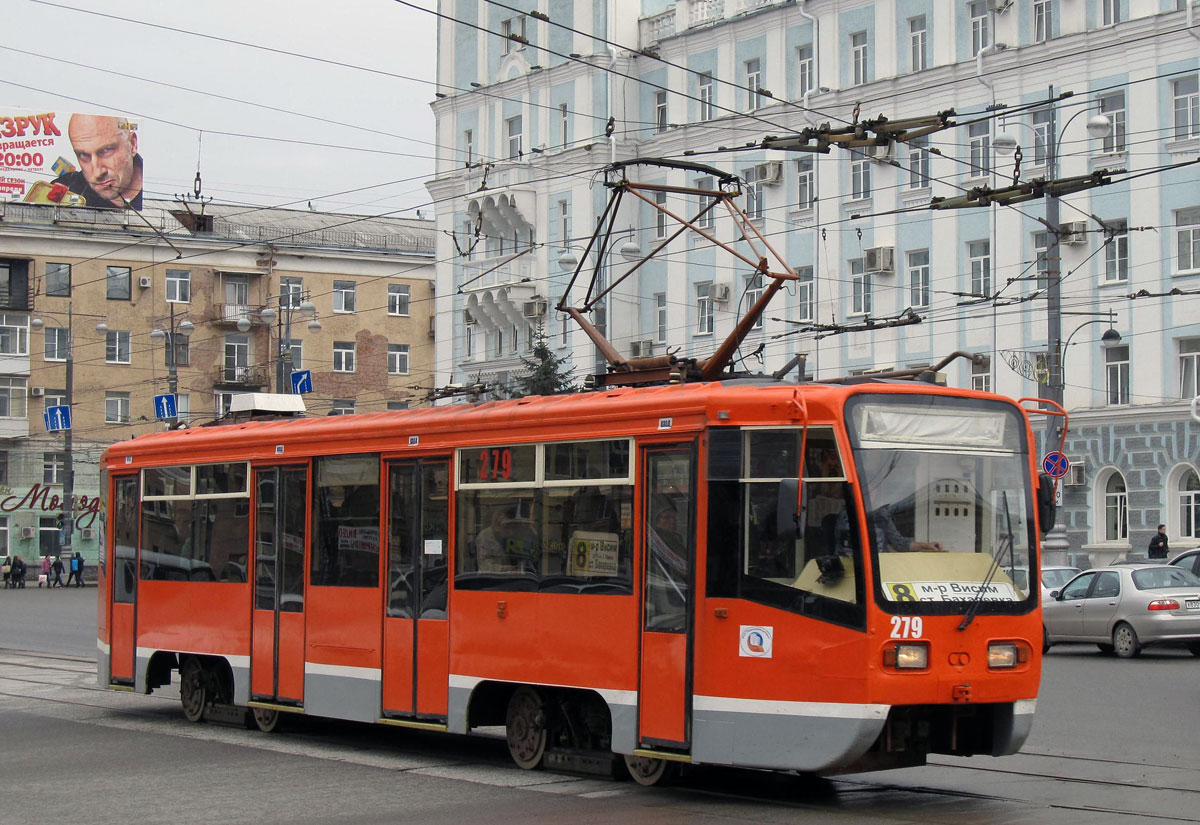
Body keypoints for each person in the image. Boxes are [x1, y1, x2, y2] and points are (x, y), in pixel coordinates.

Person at [51, 114, 143, 210]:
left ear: (132, 144)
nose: (97, 173)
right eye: (83, 155)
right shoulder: (68, 187)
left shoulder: (154, 194)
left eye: (106, 150)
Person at [474, 505, 539, 573]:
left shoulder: (516, 534)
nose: (510, 530)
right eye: (506, 526)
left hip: (520, 579)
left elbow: (529, 559)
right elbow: (484, 566)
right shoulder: (485, 536)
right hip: (493, 580)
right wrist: (510, 570)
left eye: (511, 525)